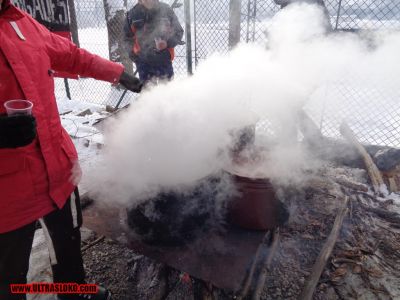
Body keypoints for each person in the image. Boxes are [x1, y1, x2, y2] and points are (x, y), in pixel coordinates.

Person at [0, 0, 142, 299]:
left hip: (58, 171)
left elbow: (72, 56)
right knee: (10, 276)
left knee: (68, 249)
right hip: (8, 195)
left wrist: (118, 73)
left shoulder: (20, 21)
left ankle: (74, 293)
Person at [124, 0, 184, 84]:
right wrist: (136, 58)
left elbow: (178, 32)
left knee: (168, 92)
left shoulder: (166, 10)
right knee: (148, 94)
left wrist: (167, 44)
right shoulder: (132, 15)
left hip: (164, 59)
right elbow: (127, 39)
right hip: (143, 63)